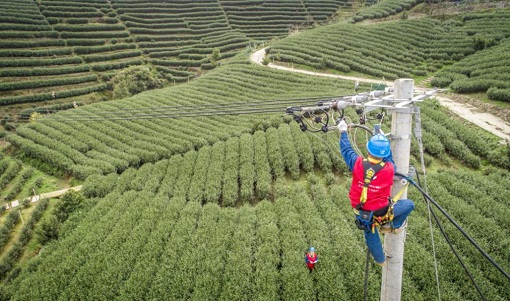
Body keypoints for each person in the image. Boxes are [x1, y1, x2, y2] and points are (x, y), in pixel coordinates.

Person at [337, 120, 414, 266]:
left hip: (360, 210)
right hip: (381, 211)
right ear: (383, 154)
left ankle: (380, 260)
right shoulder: (389, 169)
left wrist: (343, 132)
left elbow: (347, 150)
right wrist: (383, 141)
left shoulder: (357, 163)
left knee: (370, 232)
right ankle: (394, 226)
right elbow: (389, 159)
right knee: (409, 205)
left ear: (368, 151)